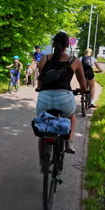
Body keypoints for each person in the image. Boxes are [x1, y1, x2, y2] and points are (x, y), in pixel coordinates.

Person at [36, 31, 87, 160]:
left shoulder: (44, 58)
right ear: (67, 45)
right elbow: (82, 81)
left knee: (43, 131)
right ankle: (69, 140)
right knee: (71, 116)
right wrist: (82, 90)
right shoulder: (74, 60)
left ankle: (43, 163)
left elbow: (40, 79)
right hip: (64, 99)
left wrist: (40, 87)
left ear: (53, 44)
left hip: (44, 99)